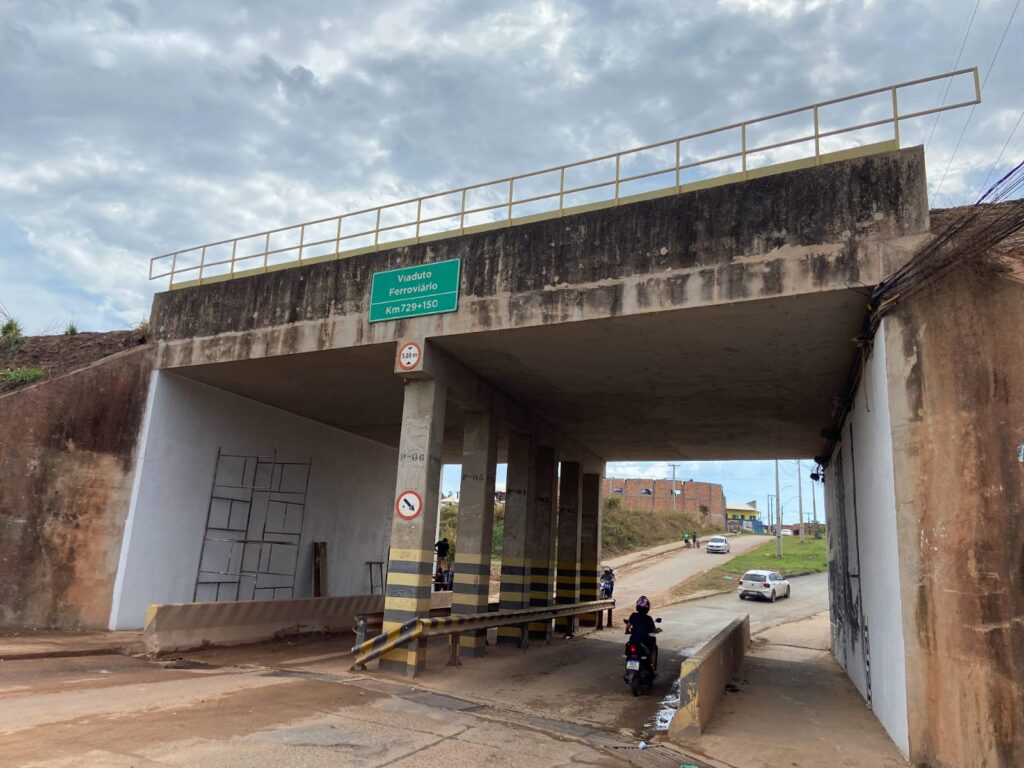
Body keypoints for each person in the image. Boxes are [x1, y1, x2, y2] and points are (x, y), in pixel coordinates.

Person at [624, 595, 659, 671]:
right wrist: (657, 630)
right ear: (647, 609)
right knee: (653, 648)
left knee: (627, 645)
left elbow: (627, 626)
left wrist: (626, 631)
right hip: (645, 642)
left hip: (633, 641)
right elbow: (653, 630)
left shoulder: (633, 615)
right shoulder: (649, 619)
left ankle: (627, 662)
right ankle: (652, 666)